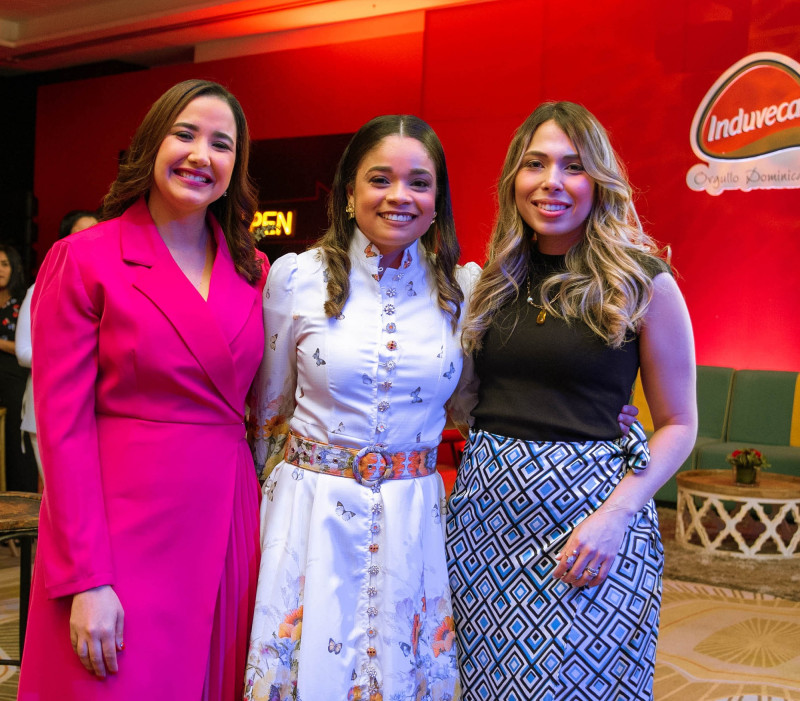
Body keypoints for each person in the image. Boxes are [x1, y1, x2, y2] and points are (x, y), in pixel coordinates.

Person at [18, 79, 267, 701]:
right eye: (184, 134)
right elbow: (62, 429)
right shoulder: (86, 258)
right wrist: (85, 579)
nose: (200, 155)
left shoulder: (253, 269)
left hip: (227, 522)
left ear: (236, 167)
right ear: (152, 142)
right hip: (117, 535)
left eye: (221, 143)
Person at [445, 101, 697, 701]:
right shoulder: (488, 282)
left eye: (572, 166)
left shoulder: (644, 281)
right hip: (487, 527)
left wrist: (617, 515)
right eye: (535, 164)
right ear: (514, 179)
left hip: (594, 525)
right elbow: (463, 397)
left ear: (599, 180)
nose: (551, 182)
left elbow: (681, 423)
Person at [244, 115, 478, 701]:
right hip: (308, 512)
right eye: (380, 179)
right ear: (349, 192)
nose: (399, 196)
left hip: (414, 515)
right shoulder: (296, 279)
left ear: (437, 199)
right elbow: (266, 417)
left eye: (419, 182)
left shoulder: (462, 291)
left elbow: (475, 406)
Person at [16, 210, 99, 480]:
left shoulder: (106, 290)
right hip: (50, 407)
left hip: (95, 412)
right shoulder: (39, 287)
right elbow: (23, 352)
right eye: (80, 234)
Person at [0, 242, 38, 492]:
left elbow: (28, 347)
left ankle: (19, 496)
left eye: (4, 264)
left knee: (15, 440)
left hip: (13, 376)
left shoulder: (23, 300)